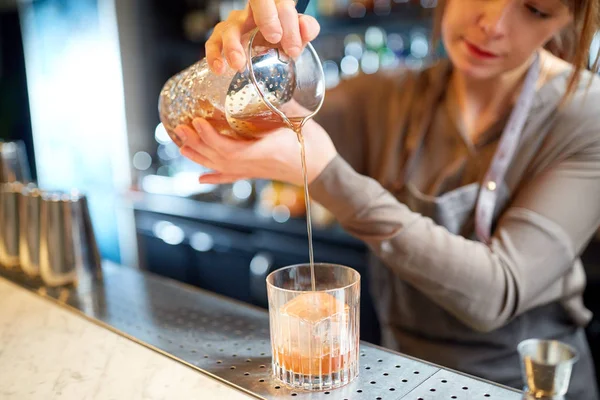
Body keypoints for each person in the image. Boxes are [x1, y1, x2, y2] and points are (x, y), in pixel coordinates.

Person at [174, 0, 600, 397]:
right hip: (406, 376)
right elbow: (206, 120)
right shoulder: (388, 97)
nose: (493, 24)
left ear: (570, 19)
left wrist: (328, 174)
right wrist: (238, 63)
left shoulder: (585, 116)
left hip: (524, 385)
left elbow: (496, 294)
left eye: (535, 9)